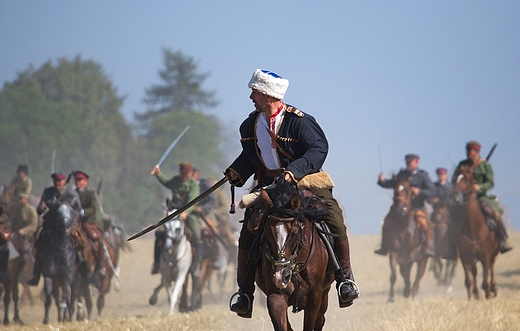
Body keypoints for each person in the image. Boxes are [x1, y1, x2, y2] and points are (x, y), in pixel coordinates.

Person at [226, 69, 359, 318]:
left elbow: (319, 147)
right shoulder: (249, 124)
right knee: (248, 231)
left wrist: (294, 171)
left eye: (254, 91)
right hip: (268, 185)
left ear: (268, 94)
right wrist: (236, 172)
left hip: (305, 182)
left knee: (335, 220)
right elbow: (251, 156)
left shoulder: (300, 121)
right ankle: (244, 292)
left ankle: (344, 280)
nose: (251, 96)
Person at [453, 140, 512, 254]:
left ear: (476, 152)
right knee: (452, 215)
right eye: (467, 150)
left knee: (495, 213)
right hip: (464, 198)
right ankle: (452, 245)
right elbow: (455, 180)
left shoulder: (485, 165)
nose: (468, 153)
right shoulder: (462, 165)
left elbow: (490, 182)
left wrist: (479, 187)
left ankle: (503, 240)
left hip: (481, 197)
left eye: (471, 151)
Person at [28, 172, 83, 286]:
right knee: (39, 241)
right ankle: (36, 273)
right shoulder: (48, 192)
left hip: (68, 225)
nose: (57, 183)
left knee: (81, 242)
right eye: (55, 180)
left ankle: (84, 268)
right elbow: (40, 210)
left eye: (60, 181)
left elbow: (78, 210)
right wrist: (41, 207)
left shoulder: (71, 194)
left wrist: (72, 218)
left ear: (64, 182)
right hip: (51, 224)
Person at [375, 153, 435, 257]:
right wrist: (382, 181)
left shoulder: (423, 175)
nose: (407, 163)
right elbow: (391, 184)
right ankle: (384, 247)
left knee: (426, 223)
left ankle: (427, 247)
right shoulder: (402, 174)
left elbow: (431, 190)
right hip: (400, 207)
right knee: (387, 221)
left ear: (416, 162)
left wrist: (419, 191)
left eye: (410, 162)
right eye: (406, 161)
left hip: (417, 207)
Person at [150, 162, 201, 275]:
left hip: (188, 213)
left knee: (197, 233)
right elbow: (167, 183)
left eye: (186, 173)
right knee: (160, 232)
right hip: (173, 212)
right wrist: (158, 174)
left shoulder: (193, 184)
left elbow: (193, 200)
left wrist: (185, 212)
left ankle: (197, 264)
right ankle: (157, 263)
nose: (184, 176)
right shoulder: (176, 180)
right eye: (182, 173)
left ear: (190, 173)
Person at [74, 170, 107, 280]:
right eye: (76, 180)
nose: (78, 182)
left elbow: (94, 208)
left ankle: (101, 265)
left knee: (96, 239)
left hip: (90, 223)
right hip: (75, 223)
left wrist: (83, 212)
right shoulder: (72, 193)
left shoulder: (91, 193)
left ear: (86, 182)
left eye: (80, 180)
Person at [9, 192, 39, 273]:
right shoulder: (17, 210)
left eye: (21, 199)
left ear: (26, 199)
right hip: (18, 234)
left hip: (29, 235)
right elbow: (14, 223)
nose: (20, 201)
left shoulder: (31, 210)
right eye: (19, 199)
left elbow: (33, 225)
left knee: (25, 249)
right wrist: (11, 231)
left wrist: (24, 231)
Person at [0, 193, 10, 282]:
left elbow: (6, 213)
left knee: (3, 248)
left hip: (0, 225)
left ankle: (3, 271)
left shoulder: (1, 198)